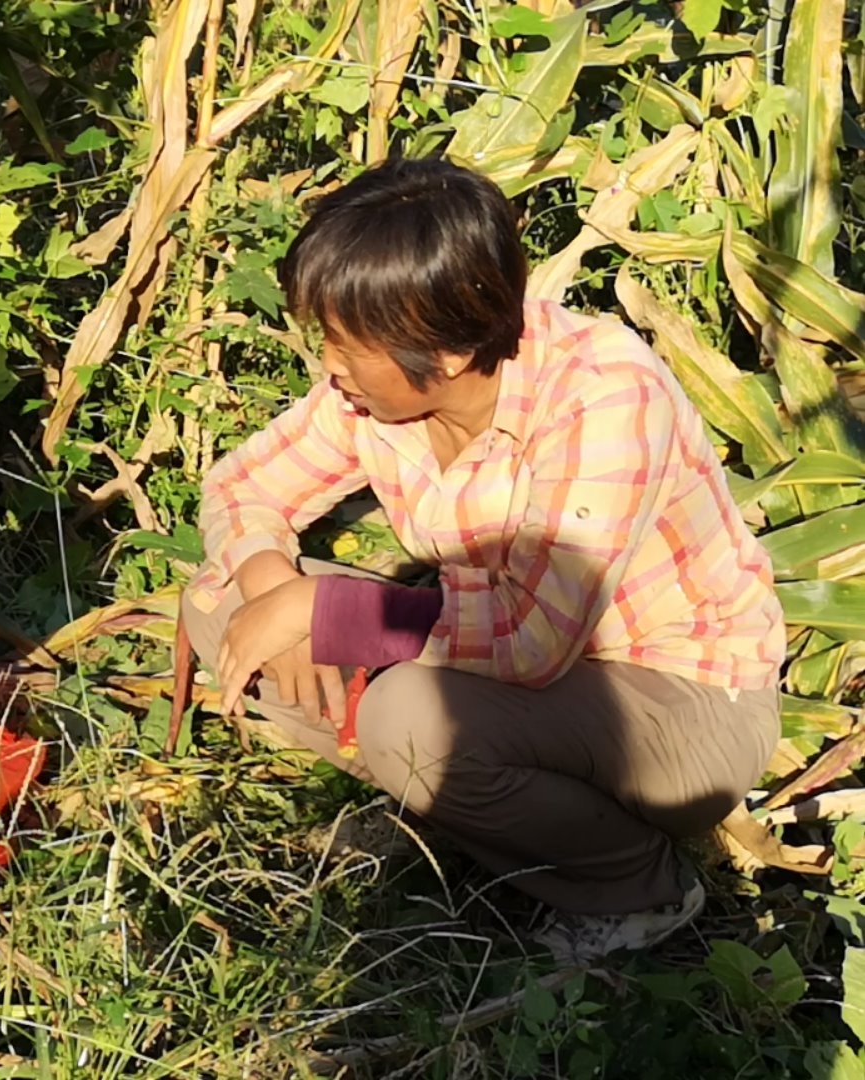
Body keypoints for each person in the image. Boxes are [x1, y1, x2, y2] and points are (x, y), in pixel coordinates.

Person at [180, 156, 785, 964]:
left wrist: (321, 614)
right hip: (522, 672)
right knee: (221, 604)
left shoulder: (603, 396)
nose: (328, 364)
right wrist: (272, 585)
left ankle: (639, 886)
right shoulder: (375, 395)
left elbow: (534, 643)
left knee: (412, 723)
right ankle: (458, 804)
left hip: (677, 701)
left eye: (344, 342)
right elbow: (243, 484)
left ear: (447, 350)